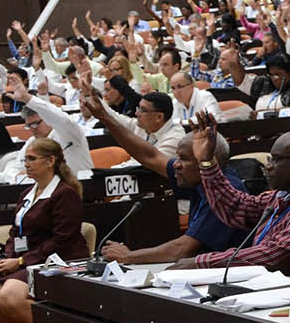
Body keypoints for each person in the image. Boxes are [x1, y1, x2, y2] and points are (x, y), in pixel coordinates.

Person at [84, 90, 249, 263]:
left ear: (205, 158)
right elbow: (150, 156)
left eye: (183, 159)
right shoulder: (196, 174)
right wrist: (105, 118)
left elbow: (182, 249)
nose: (176, 164)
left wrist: (128, 256)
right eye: (177, 157)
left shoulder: (226, 191)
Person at [169, 113, 290, 277]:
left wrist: (201, 262)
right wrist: (206, 161)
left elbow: (273, 255)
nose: (268, 166)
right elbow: (236, 207)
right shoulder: (282, 196)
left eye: (276, 160)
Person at [0, 138, 89, 323]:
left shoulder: (65, 194)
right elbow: (15, 232)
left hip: (59, 260)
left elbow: (62, 240)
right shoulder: (26, 194)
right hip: (27, 262)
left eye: (32, 159)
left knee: (10, 296)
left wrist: (20, 261)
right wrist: (9, 257)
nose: (26, 164)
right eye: (25, 159)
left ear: (50, 161)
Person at [104, 91, 186, 158]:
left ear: (159, 117)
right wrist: (92, 95)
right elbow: (113, 116)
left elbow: (153, 164)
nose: (136, 113)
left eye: (143, 110)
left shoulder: (175, 138)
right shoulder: (143, 126)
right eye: (138, 108)